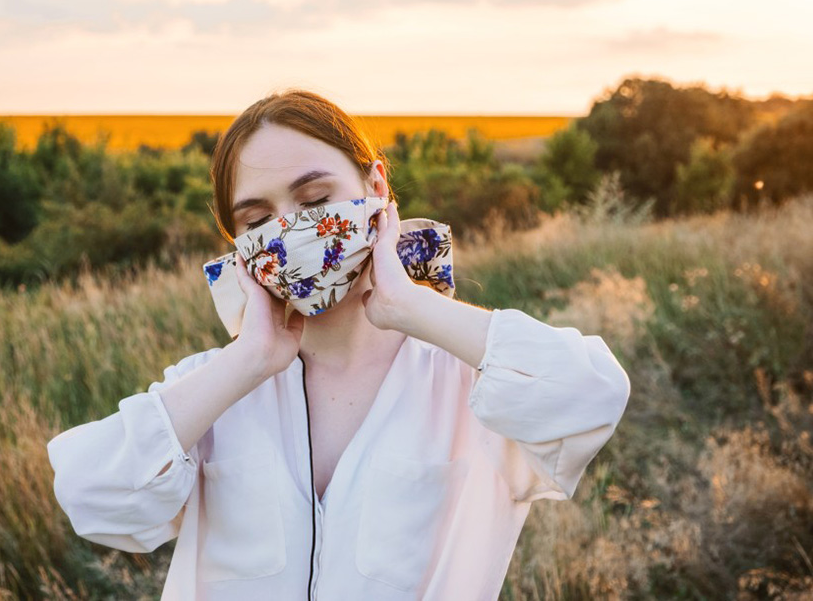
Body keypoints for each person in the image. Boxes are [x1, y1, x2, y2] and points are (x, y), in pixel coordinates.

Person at [47, 89, 632, 600]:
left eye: (316, 201)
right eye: (258, 220)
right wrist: (248, 361)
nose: (292, 231)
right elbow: (91, 494)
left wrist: (410, 306)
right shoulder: (215, 392)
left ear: (375, 187)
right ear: (238, 245)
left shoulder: (470, 381)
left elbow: (592, 394)